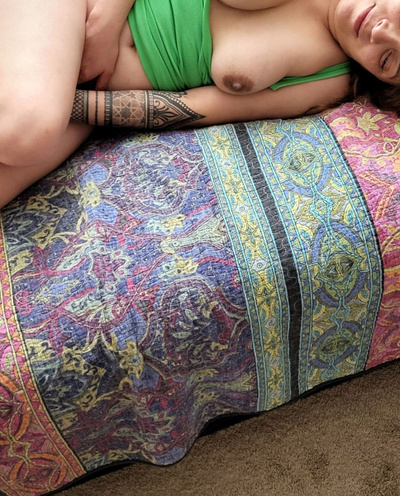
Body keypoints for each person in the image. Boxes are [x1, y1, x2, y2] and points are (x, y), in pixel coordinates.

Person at [0, 0, 398, 209]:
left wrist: (77, 104)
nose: (382, 34)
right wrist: (106, 23)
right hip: (77, 10)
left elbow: (193, 108)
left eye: (389, 60)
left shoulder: (327, 81)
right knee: (28, 134)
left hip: (84, 90)